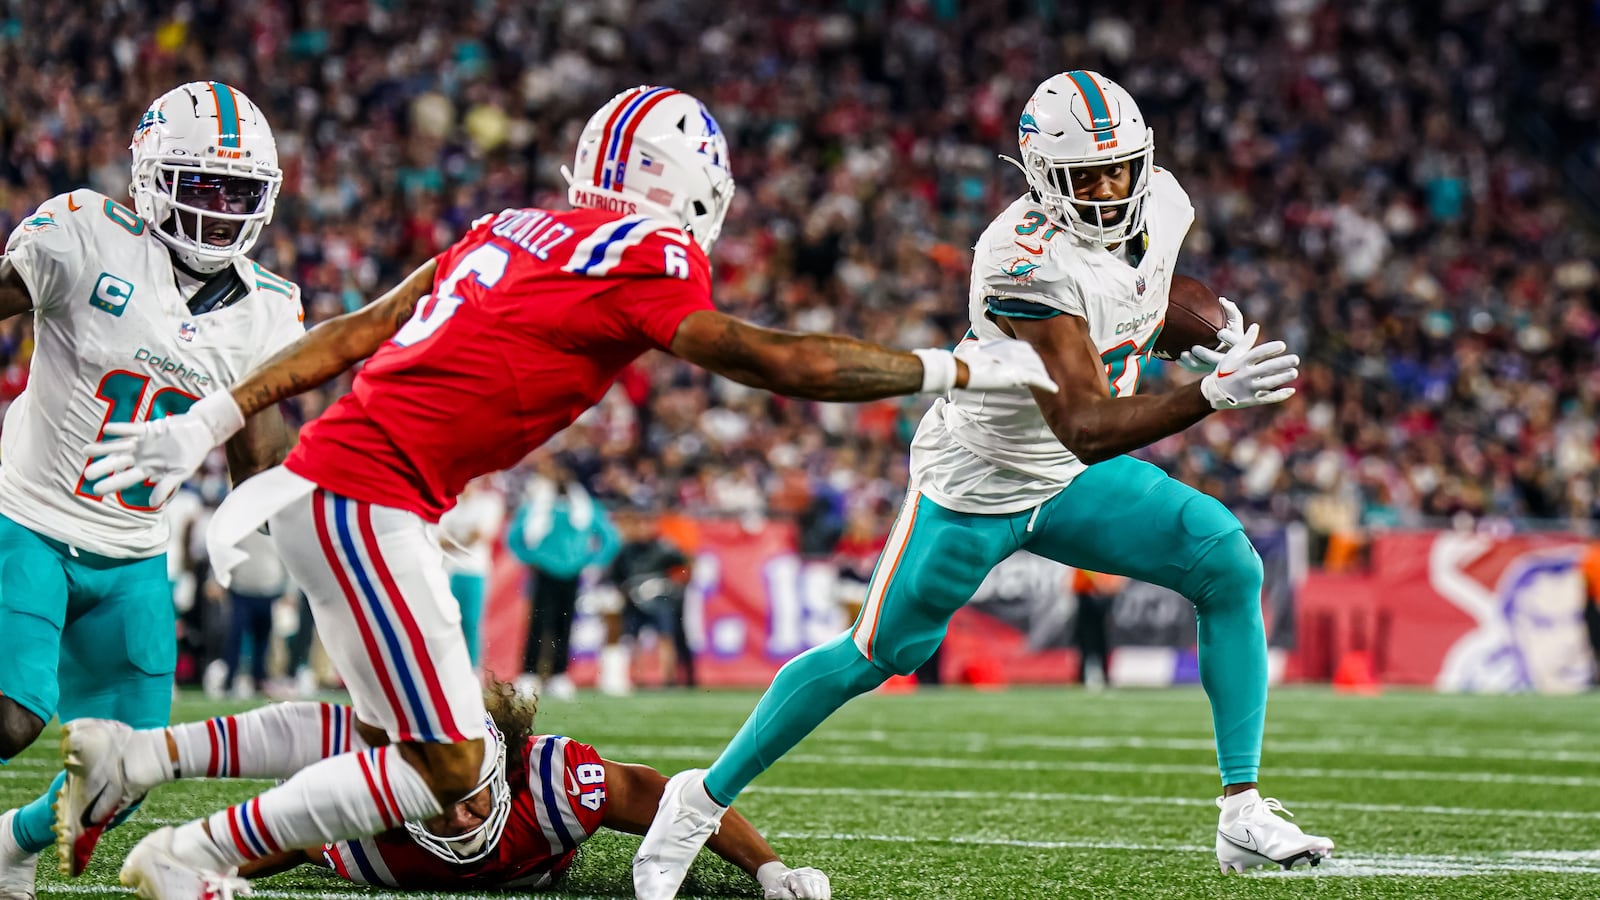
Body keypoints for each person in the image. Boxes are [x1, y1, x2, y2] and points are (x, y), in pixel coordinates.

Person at [70, 83, 1055, 899]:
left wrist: (209, 422)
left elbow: (357, 329)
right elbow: (781, 360)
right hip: (364, 494)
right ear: (687, 191)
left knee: (381, 733)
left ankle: (140, 759)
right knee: (444, 766)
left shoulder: (508, 226)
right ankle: (196, 854)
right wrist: (955, 369)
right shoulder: (647, 253)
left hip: (349, 487)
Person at [632, 70, 1333, 899]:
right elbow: (1086, 422)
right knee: (874, 655)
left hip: (1070, 480)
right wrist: (1207, 395)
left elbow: (1147, 291)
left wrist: (1206, 333)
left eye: (1121, 169)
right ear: (1040, 176)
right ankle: (696, 799)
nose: (1109, 191)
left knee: (1228, 563)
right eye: (1086, 176)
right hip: (979, 484)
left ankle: (1242, 811)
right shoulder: (1018, 258)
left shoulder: (1165, 202)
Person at [0, 81, 303, 898]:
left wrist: (318, 527)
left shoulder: (272, 310)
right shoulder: (86, 232)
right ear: (149, 175)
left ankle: (8, 845)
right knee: (11, 718)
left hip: (135, 554)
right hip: (27, 520)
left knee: (120, 778)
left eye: (238, 192)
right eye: (202, 184)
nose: (220, 209)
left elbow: (260, 459)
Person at [58, 682, 831, 898]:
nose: (460, 815)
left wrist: (768, 869)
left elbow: (674, 802)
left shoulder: (557, 785)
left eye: (472, 796)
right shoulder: (359, 839)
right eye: (438, 801)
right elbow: (272, 845)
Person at [506, 456, 618, 700]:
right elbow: (514, 537)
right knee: (538, 623)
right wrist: (529, 557)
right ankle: (529, 673)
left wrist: (590, 562)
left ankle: (558, 674)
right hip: (544, 571)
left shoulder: (584, 507)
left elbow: (610, 538)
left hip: (571, 572)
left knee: (563, 625)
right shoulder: (537, 505)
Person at [609, 506, 695, 689]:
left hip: (660, 600)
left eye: (647, 523)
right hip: (633, 601)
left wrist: (677, 586)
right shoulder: (626, 550)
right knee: (632, 639)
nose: (644, 528)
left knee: (666, 636)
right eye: (640, 523)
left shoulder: (664, 547)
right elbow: (615, 577)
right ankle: (637, 678)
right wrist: (626, 592)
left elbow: (687, 562)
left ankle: (668, 679)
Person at [438, 475, 507, 671]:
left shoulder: (488, 503)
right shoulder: (449, 504)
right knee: (446, 623)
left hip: (473, 569)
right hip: (447, 569)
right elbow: (438, 538)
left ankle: (472, 669)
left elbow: (480, 536)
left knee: (471, 622)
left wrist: (452, 541)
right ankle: (447, 670)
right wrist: (461, 540)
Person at [1072, 569, 1126, 689]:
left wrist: (1103, 584)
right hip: (1088, 591)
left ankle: (1096, 674)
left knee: (1096, 637)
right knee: (1088, 637)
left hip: (1097, 591)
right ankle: (1086, 675)